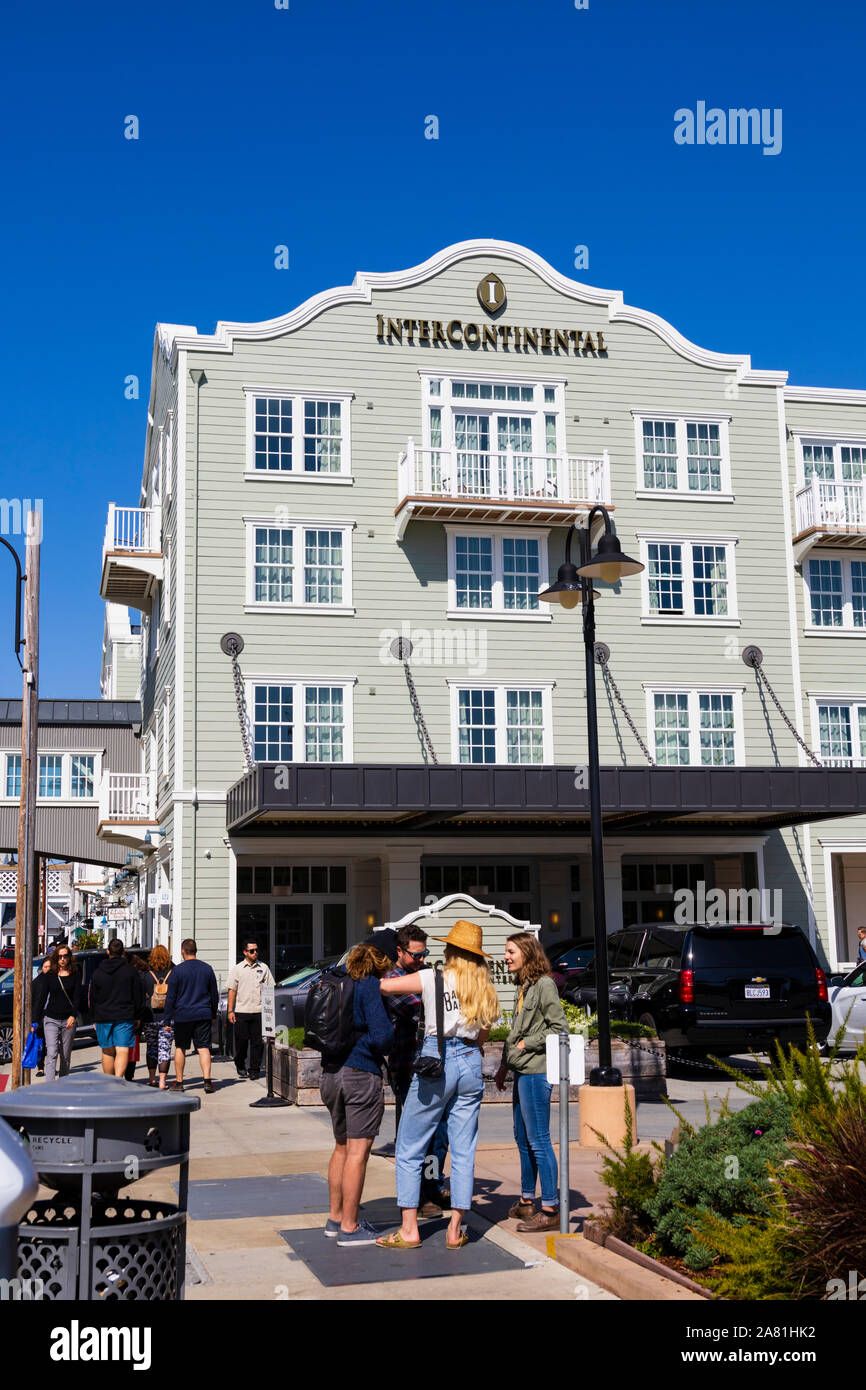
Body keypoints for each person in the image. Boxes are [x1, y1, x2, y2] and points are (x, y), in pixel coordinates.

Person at [377, 920, 499, 1251]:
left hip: (437, 1059)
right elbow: (484, 1034)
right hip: (471, 1061)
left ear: (452, 952)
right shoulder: (484, 987)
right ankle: (455, 1228)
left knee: (410, 1144)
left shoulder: (433, 977)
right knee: (463, 1148)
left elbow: (386, 988)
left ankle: (408, 1229)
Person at [320, 941, 394, 1247]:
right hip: (360, 1073)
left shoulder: (337, 982)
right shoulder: (369, 986)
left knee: (340, 1147)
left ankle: (335, 1218)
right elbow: (382, 1036)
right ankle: (350, 1228)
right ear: (380, 962)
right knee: (358, 1152)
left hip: (330, 1073)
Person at [494, 932, 570, 1233]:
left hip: (536, 1071)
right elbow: (515, 1031)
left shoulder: (545, 985)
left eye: (510, 951)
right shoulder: (524, 986)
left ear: (527, 952)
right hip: (521, 1071)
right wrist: (504, 1065)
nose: (506, 956)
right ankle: (527, 1201)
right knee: (523, 1139)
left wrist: (529, 1044)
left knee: (538, 1139)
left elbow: (559, 1028)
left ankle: (550, 1209)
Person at [383, 924, 449, 1215]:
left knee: (439, 1132)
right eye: (416, 955)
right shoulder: (392, 979)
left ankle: (433, 1186)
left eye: (425, 955)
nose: (421, 960)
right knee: (417, 1133)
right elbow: (427, 1008)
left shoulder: (418, 975)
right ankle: (420, 1196)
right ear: (400, 951)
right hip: (407, 1064)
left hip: (431, 1063)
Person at [162, 939, 219, 1094]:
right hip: (202, 1013)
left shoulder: (177, 971)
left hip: (183, 1015)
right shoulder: (207, 969)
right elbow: (214, 994)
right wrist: (213, 1013)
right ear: (196, 950)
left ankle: (179, 1082)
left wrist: (167, 1019)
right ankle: (207, 1081)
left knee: (181, 1047)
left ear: (182, 951)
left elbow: (171, 997)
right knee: (203, 1047)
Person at [90, 938, 145, 1078]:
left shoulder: (98, 973)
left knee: (107, 1050)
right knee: (122, 1049)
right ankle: (118, 1079)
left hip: (103, 1015)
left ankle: (109, 1081)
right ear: (123, 952)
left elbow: (93, 998)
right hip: (124, 1015)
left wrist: (93, 1018)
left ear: (108, 952)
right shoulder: (131, 972)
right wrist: (138, 1015)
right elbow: (138, 995)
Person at [226, 939, 275, 1080]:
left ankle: (254, 1069)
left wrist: (268, 1009)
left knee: (257, 1043)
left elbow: (270, 988)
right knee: (241, 1042)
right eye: (252, 951)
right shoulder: (238, 969)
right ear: (245, 952)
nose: (255, 953)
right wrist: (230, 1010)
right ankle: (240, 1064)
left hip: (259, 1011)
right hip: (242, 1010)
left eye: (256, 950)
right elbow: (232, 990)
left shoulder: (263, 967)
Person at [32, 945, 81, 1081]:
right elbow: (41, 999)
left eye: (65, 956)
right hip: (51, 1019)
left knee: (65, 1056)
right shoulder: (50, 976)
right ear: (56, 958)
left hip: (68, 1020)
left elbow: (77, 998)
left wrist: (73, 1015)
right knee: (52, 1053)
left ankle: (63, 1084)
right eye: (60, 956)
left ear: (69, 957)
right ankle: (50, 1086)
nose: (62, 959)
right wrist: (35, 1020)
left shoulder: (75, 974)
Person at [143, 945, 174, 1088]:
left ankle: (151, 1079)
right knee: (165, 1048)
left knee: (151, 1048)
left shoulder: (146, 975)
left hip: (150, 1017)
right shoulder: (173, 973)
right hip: (168, 1017)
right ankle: (162, 1081)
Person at [124, 954, 151, 1081]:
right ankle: (129, 1075)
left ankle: (123, 1074)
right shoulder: (140, 975)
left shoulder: (129, 976)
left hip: (124, 1015)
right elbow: (140, 999)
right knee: (132, 1047)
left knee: (121, 1047)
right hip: (134, 1016)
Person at [35, 957, 52, 1075]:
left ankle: (50, 1067)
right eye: (46, 967)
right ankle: (40, 1067)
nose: (48, 969)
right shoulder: (36, 982)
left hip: (52, 1015)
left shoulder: (55, 980)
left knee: (50, 1044)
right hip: (40, 1016)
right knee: (40, 1043)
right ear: (41, 968)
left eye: (50, 967)